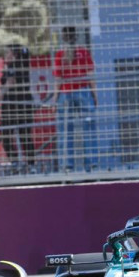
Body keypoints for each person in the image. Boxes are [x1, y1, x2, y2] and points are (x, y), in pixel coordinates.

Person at [51, 25, 98, 173]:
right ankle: (91, 164)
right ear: (76, 36)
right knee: (89, 128)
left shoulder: (60, 55)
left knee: (66, 130)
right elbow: (90, 76)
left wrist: (54, 100)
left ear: (63, 38)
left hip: (66, 93)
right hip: (83, 91)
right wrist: (95, 95)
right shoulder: (84, 52)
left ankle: (67, 165)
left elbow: (58, 79)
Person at [0, 43, 36, 170]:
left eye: (7, 53)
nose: (5, 56)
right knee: (24, 135)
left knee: (8, 133)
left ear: (14, 55)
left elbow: (10, 83)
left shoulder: (13, 67)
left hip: (14, 105)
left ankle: (17, 162)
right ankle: (29, 164)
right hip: (21, 104)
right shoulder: (22, 66)